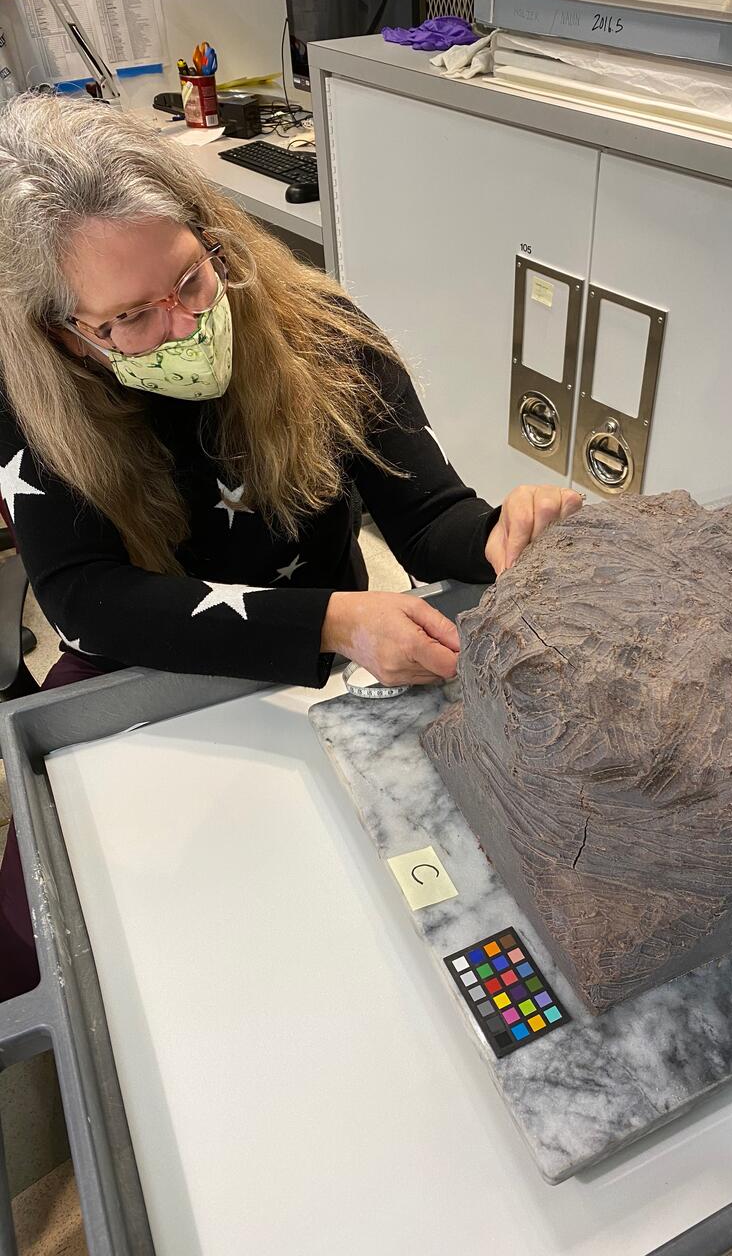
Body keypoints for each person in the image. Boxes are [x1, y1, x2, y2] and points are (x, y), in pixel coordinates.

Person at [0, 95, 583, 1002]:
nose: (184, 326)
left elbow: (429, 518)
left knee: (347, 932)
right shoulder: (34, 403)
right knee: (83, 953)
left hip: (322, 668)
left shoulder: (327, 338)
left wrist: (505, 530)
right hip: (138, 676)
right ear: (66, 334)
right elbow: (85, 598)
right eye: (129, 320)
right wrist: (334, 618)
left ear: (213, 234)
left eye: (192, 279)